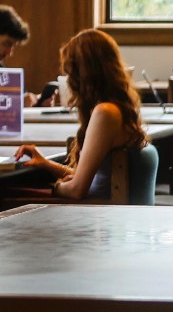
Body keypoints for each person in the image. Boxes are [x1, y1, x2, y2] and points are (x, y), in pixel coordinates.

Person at [10, 29, 148, 201]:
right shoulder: (121, 108)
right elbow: (92, 177)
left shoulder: (105, 113)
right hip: (102, 208)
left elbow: (77, 190)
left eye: (70, 74)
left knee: (1, 193)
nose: (69, 82)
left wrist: (57, 187)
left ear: (83, 75)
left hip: (94, 215)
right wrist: (45, 163)